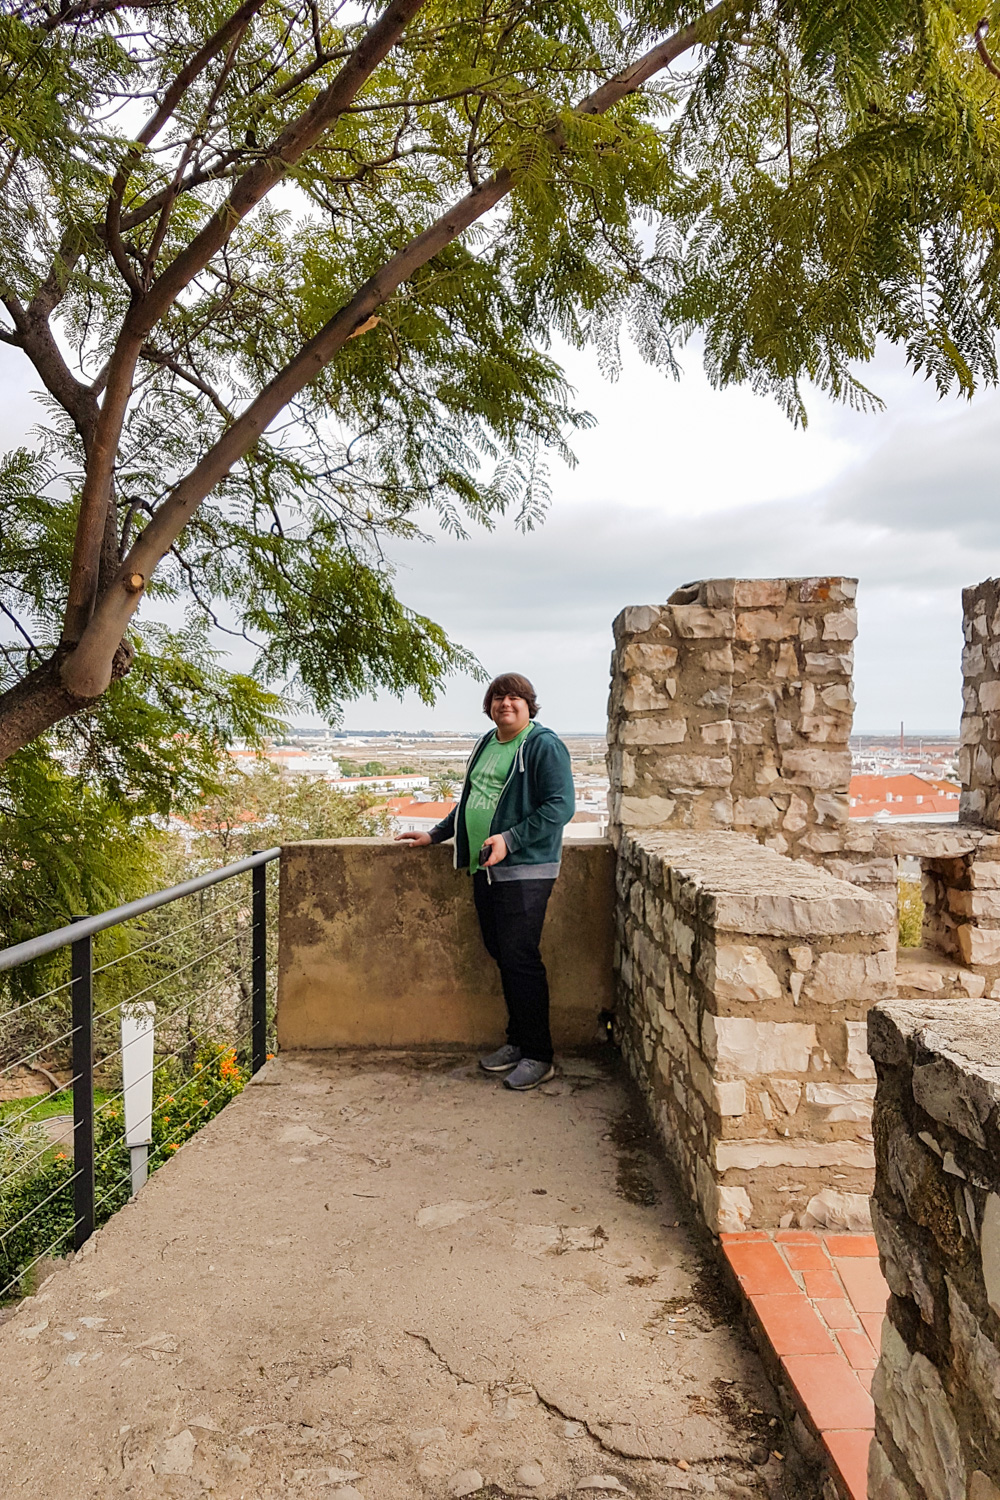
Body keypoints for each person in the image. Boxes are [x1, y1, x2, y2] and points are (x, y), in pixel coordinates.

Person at [396, 673, 575, 1090]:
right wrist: (436, 834)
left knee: (521, 958)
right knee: (502, 953)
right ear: (488, 705)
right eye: (498, 697)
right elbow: (473, 799)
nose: (505, 703)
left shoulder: (543, 745)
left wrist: (510, 840)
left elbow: (560, 806)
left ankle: (539, 1054)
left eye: (515, 697)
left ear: (530, 705)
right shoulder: (486, 743)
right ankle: (518, 1042)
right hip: (486, 869)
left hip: (524, 871)